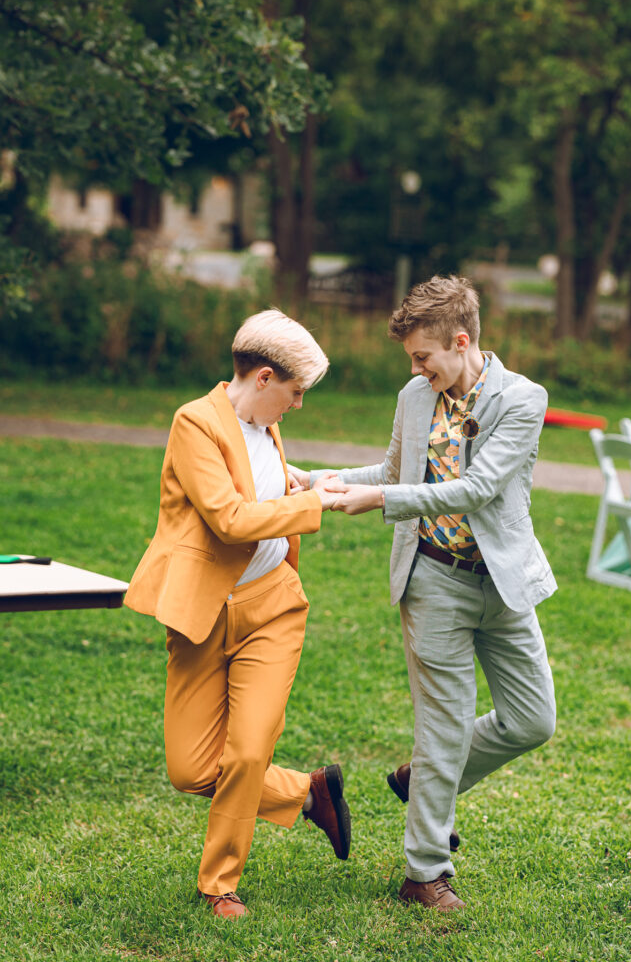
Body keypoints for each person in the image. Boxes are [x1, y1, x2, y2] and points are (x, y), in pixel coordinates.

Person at [295, 275, 557, 914]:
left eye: (423, 357)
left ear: (461, 341)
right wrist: (323, 478)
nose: (416, 370)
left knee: (533, 720)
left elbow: (478, 488)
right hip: (433, 579)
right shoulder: (416, 396)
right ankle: (424, 873)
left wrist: (380, 500)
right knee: (443, 728)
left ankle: (425, 779)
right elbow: (393, 471)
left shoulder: (523, 399)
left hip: (502, 581)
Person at [124, 309, 350, 921]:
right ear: (265, 378)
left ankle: (219, 885)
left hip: (273, 609)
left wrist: (300, 480)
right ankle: (307, 794)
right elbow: (228, 518)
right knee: (191, 769)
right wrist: (313, 502)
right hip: (203, 611)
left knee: (247, 754)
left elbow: (258, 481)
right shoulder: (195, 422)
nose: (298, 405)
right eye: (296, 392)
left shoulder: (265, 424)